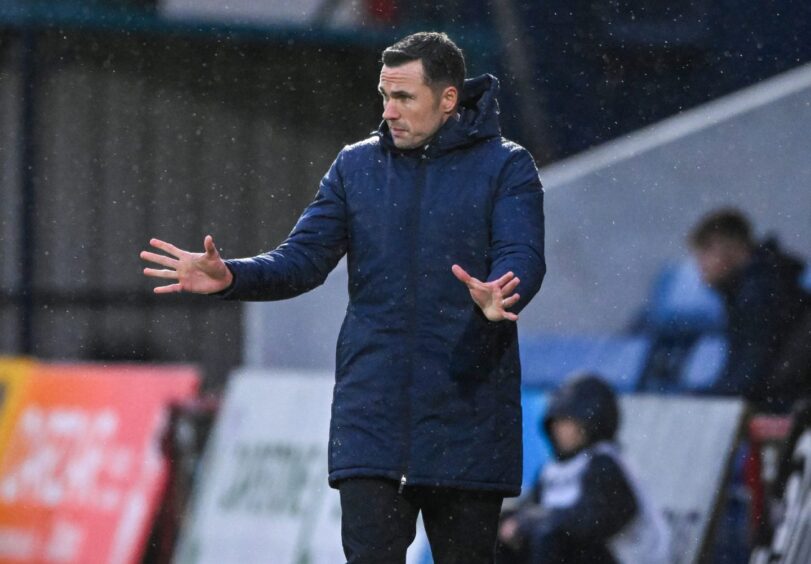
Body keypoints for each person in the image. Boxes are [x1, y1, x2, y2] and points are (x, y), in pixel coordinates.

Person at [140, 32, 546, 563]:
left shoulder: (506, 167)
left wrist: (502, 291)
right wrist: (233, 277)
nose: (389, 110)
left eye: (404, 97)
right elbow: (301, 260)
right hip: (370, 421)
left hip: (467, 416)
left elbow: (523, 255)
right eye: (384, 95)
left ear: (448, 99)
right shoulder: (355, 168)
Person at [496, 374, 670, 564]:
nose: (559, 430)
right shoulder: (552, 469)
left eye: (568, 422)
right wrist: (513, 521)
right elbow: (530, 510)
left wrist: (534, 521)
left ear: (592, 421)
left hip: (626, 558)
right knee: (502, 535)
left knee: (550, 535)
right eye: (556, 423)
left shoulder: (606, 462)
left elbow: (591, 521)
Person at [688, 208, 811, 412]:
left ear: (737, 250)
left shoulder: (761, 293)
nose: (700, 265)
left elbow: (751, 376)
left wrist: (703, 398)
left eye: (707, 251)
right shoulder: (749, 289)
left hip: (786, 406)